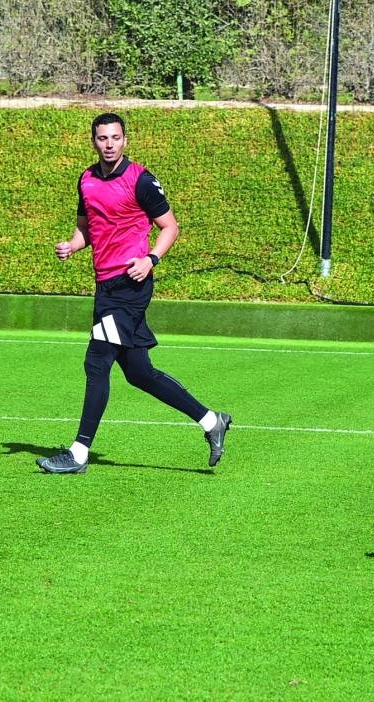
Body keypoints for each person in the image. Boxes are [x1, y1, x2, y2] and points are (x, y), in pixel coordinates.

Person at [36, 112, 231, 474]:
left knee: (96, 363)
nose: (109, 144)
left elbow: (170, 226)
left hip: (130, 284)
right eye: (102, 138)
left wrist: (151, 258)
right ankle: (210, 421)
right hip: (105, 286)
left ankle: (78, 454)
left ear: (125, 140)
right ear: (92, 141)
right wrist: (72, 246)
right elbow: (87, 229)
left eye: (115, 138)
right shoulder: (86, 180)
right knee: (139, 372)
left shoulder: (140, 179)